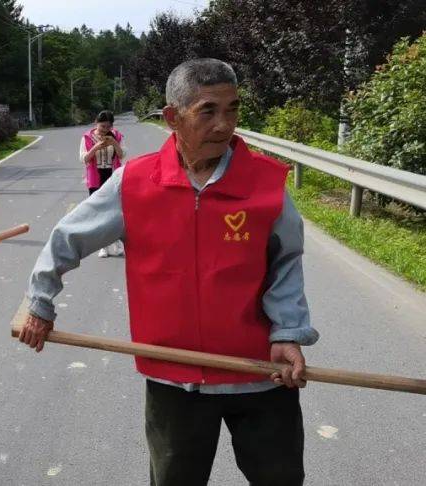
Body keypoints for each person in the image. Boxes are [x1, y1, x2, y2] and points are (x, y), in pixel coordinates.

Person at [18, 59, 319, 486]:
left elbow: (286, 261)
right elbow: (67, 237)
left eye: (232, 109)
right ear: (173, 117)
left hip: (259, 374)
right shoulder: (135, 182)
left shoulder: (265, 183)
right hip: (175, 378)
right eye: (208, 111)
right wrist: (39, 302)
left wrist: (288, 332)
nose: (224, 124)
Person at [81, 110, 125, 257]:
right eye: (102, 126)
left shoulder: (116, 136)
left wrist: (114, 143)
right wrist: (95, 147)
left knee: (114, 212)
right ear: (96, 123)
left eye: (108, 127)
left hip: (113, 176)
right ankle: (103, 246)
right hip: (95, 177)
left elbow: (122, 155)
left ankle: (116, 243)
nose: (104, 130)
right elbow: (84, 158)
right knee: (99, 213)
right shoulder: (87, 137)